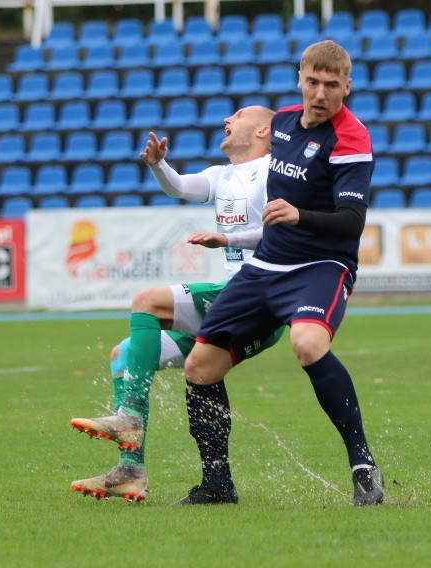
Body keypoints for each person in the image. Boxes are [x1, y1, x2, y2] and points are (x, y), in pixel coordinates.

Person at [180, 39, 384, 507]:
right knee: (199, 367)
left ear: (346, 88)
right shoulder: (284, 123)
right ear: (300, 79)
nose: (320, 93)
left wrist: (298, 215)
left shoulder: (351, 139)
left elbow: (351, 222)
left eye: (331, 85)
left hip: (320, 267)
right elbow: (242, 157)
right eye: (312, 81)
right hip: (266, 266)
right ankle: (217, 485)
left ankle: (363, 467)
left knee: (308, 344)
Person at [69, 105, 285, 503]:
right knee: (126, 354)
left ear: (263, 130)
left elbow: (283, 230)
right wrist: (159, 165)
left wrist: (228, 240)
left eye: (238, 114)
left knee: (147, 301)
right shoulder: (222, 176)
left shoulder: (276, 169)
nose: (227, 119)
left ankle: (128, 420)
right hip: (232, 297)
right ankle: (132, 470)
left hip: (260, 294)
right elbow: (180, 187)